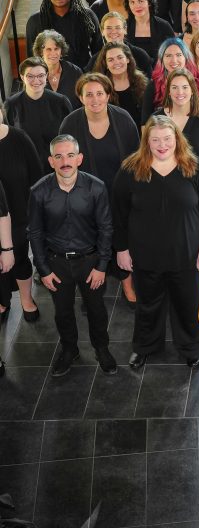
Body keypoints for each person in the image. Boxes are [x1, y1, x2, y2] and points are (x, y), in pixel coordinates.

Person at [113, 115, 199, 370]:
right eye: (156, 139)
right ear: (146, 141)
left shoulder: (194, 166)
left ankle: (191, 347)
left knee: (187, 303)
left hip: (187, 254)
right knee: (147, 304)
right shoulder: (130, 169)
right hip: (145, 255)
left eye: (168, 139)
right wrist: (122, 249)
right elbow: (118, 213)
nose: (162, 145)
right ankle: (145, 347)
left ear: (177, 139)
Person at [28, 134, 116, 377]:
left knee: (97, 310)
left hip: (90, 262)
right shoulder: (38, 191)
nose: (64, 161)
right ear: (51, 161)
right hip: (56, 263)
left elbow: (106, 228)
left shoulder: (96, 187)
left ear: (79, 159)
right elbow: (34, 232)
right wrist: (43, 269)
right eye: (59, 156)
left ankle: (102, 349)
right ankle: (69, 350)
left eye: (69, 155)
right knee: (62, 312)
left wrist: (101, 266)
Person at [59, 73, 140, 307]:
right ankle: (91, 290)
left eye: (99, 93)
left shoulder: (123, 119)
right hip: (85, 197)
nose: (95, 99)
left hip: (120, 194)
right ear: (81, 97)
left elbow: (136, 160)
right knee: (90, 246)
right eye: (89, 94)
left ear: (108, 95)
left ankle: (127, 284)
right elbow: (64, 163)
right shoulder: (70, 124)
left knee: (122, 240)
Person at [0, 103, 42, 324]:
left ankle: (26, 299)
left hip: (18, 214)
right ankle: (1, 301)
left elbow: (37, 177)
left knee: (19, 258)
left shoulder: (18, 138)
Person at [153, 68, 199, 193]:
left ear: (192, 90)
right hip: (167, 191)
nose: (180, 92)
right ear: (168, 91)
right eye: (174, 87)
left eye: (185, 87)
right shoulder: (156, 120)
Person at [5, 56, 72, 168]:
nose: (36, 80)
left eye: (40, 75)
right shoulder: (12, 104)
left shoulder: (61, 102)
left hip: (57, 165)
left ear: (46, 76)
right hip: (25, 165)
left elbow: (70, 135)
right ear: (22, 77)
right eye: (30, 76)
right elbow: (9, 140)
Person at [25, 0, 102, 68]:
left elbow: (98, 49)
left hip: (84, 73)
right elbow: (32, 56)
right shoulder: (35, 20)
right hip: (49, 74)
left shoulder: (87, 16)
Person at [141, 37, 199, 123]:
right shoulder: (153, 85)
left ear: (186, 57)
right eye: (168, 56)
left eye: (179, 55)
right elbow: (145, 123)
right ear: (162, 60)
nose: (174, 60)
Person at [89, 10, 153, 76]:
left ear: (125, 30)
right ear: (102, 31)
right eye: (109, 28)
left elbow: (151, 83)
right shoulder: (94, 61)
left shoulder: (140, 55)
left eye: (117, 28)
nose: (113, 31)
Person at [124, 0, 176, 64]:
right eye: (132, 2)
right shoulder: (123, 26)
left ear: (149, 2)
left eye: (140, 1)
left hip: (159, 72)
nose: (137, 6)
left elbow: (174, 52)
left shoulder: (164, 26)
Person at [32, 28, 83, 109]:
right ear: (41, 52)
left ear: (61, 51)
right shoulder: (33, 74)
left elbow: (83, 101)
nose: (53, 53)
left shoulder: (75, 72)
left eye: (56, 49)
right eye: (48, 49)